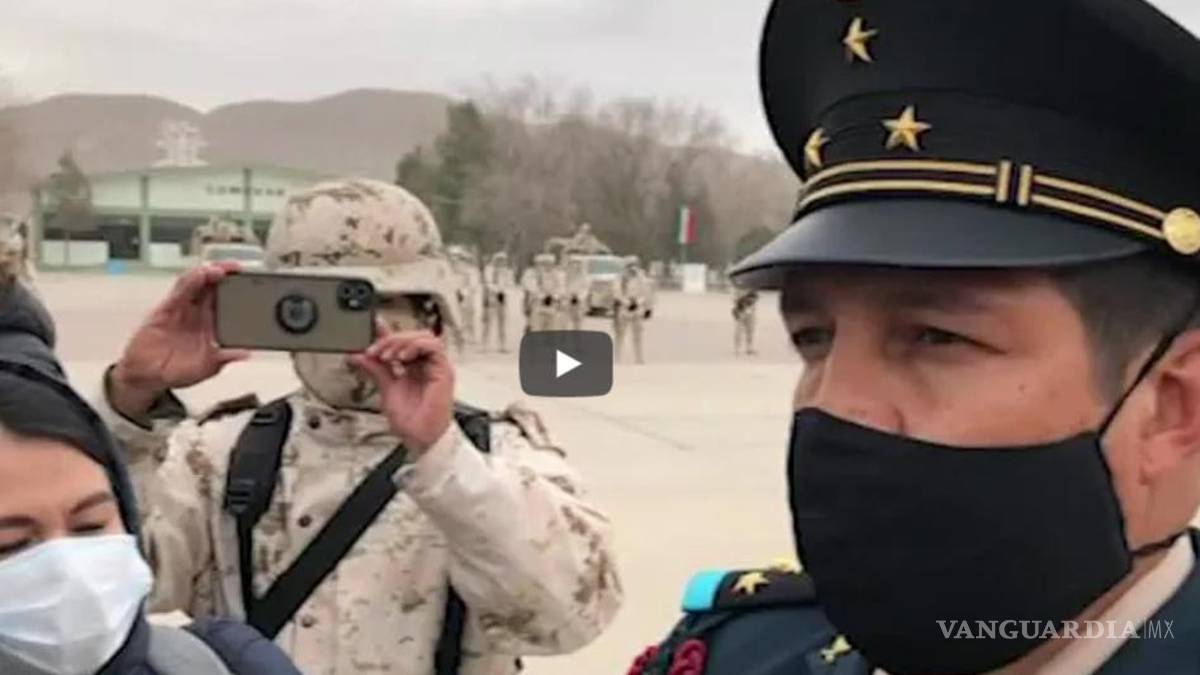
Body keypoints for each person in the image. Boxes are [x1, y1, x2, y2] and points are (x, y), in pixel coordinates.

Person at [634, 1, 1200, 674]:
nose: (833, 404)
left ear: (1176, 408)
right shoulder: (736, 654)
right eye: (814, 338)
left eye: (935, 337)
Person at [93, 179, 622, 675]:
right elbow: (106, 596)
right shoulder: (218, 454)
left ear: (432, 315)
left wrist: (443, 459)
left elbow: (569, 618)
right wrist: (130, 405)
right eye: (317, 306)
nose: (349, 335)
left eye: (370, 303)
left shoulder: (498, 458)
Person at [0, 280, 301, 675]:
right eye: (11, 545)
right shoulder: (224, 451)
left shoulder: (222, 664)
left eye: (91, 526)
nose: (72, 575)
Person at [613, 258, 653, 364]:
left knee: (637, 336)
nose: (632, 267)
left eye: (634, 265)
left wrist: (638, 303)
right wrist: (626, 302)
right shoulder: (620, 277)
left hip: (637, 309)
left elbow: (646, 292)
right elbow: (617, 293)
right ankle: (617, 358)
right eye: (630, 265)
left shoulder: (641, 278)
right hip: (624, 309)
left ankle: (639, 358)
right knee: (620, 335)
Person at [482, 251, 515, 352]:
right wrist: (498, 290)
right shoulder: (489, 270)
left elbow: (510, 284)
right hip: (491, 297)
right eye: (499, 260)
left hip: (502, 298)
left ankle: (502, 345)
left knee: (502, 322)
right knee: (488, 322)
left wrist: (504, 291)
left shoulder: (508, 272)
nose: (501, 262)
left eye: (503, 260)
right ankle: (485, 344)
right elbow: (488, 283)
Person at [523, 253, 563, 333]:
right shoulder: (535, 274)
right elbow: (532, 287)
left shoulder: (557, 275)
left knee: (551, 329)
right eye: (545, 264)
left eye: (550, 264)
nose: (547, 266)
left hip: (552, 305)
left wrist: (553, 296)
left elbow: (560, 288)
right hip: (539, 305)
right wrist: (543, 296)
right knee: (538, 328)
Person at [562, 257, 589, 332]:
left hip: (579, 302)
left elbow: (586, 289)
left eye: (578, 263)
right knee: (565, 322)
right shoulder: (565, 275)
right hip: (567, 300)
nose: (576, 265)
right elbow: (562, 287)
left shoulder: (584, 276)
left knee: (578, 322)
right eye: (574, 263)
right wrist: (569, 296)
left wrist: (579, 297)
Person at [731, 287, 758, 356]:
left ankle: (749, 348)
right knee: (738, 331)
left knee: (750, 331)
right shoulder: (740, 298)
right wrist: (738, 316)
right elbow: (734, 305)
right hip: (740, 313)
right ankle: (737, 348)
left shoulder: (753, 303)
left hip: (750, 313)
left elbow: (755, 298)